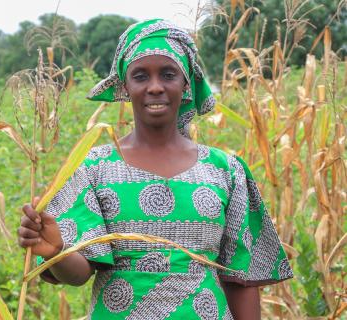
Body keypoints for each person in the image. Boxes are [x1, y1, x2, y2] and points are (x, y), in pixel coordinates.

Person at [18, 19, 293, 320]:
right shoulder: (94, 168)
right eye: (140, 76)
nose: (155, 87)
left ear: (186, 82)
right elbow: (79, 273)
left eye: (168, 74)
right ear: (124, 85)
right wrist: (57, 250)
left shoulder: (226, 171)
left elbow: (240, 279)